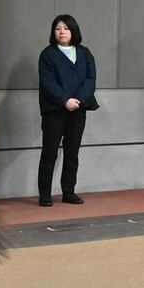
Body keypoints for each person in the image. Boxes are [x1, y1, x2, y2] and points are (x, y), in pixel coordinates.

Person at [37, 14, 96, 207]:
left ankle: (68, 192)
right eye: (58, 28)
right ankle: (45, 194)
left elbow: (90, 79)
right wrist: (64, 100)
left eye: (66, 28)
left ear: (73, 31)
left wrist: (78, 99)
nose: (62, 32)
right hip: (55, 110)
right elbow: (47, 83)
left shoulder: (84, 53)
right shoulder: (47, 54)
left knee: (72, 152)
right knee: (49, 152)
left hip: (78, 109)